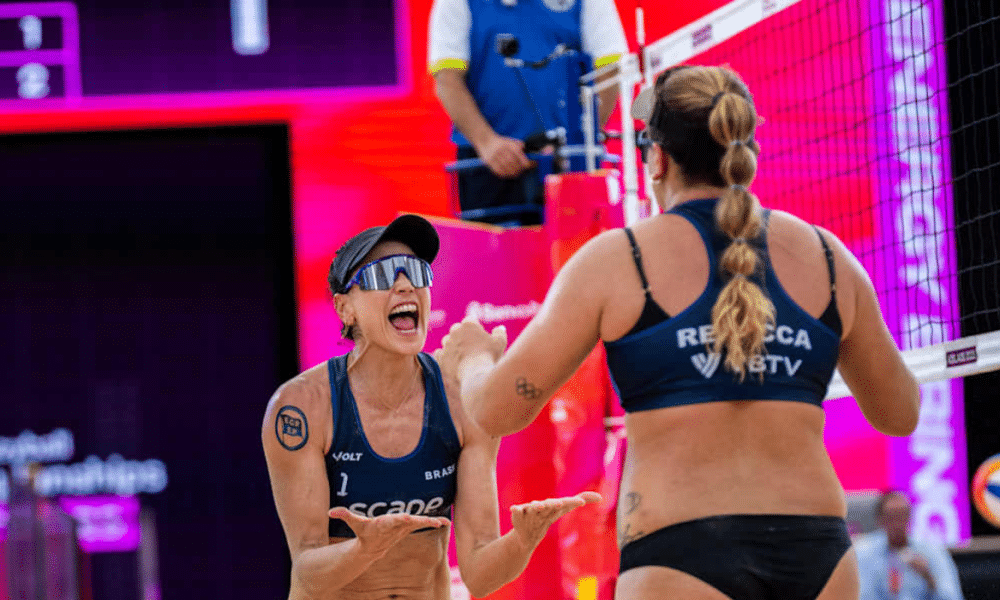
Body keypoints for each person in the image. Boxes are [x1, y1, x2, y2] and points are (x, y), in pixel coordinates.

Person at [437, 64, 922, 600]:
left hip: (681, 554)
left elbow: (497, 411)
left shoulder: (620, 260)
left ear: (658, 159)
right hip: (818, 555)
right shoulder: (829, 259)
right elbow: (899, 414)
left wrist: (472, 360)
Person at [262, 214, 599, 600]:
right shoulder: (303, 406)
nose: (405, 285)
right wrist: (365, 548)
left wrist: (522, 541)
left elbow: (480, 572)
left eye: (416, 272)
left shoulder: (461, 401)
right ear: (345, 309)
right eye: (383, 275)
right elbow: (309, 569)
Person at [429, 0, 629, 225]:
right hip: (486, 167)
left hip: (570, 167)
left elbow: (610, 70)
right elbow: (447, 81)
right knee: (493, 258)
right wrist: (487, 143)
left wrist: (577, 144)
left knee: (577, 251)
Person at [854, 490, 965, 600]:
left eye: (903, 516)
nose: (898, 524)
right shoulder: (864, 553)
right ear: (880, 520)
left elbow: (953, 597)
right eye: (892, 518)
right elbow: (863, 596)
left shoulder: (932, 550)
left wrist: (928, 578)